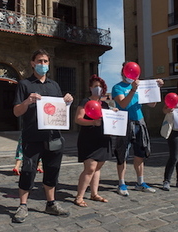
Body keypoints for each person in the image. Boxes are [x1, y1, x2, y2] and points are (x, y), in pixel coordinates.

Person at [12, 49, 73, 223]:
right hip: (32, 137)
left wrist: (67, 100)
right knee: (28, 171)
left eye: (46, 61)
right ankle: (23, 205)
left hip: (53, 137)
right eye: (39, 61)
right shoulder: (24, 84)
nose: (43, 64)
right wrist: (27, 101)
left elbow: (60, 109)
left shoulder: (54, 85)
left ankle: (51, 203)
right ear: (32, 63)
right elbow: (16, 112)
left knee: (52, 171)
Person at [112, 62, 164, 196]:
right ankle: (121, 183)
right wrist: (133, 90)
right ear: (123, 72)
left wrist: (156, 89)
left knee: (140, 153)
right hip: (124, 122)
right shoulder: (117, 87)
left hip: (139, 122)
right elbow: (123, 104)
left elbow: (152, 104)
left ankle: (140, 182)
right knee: (122, 154)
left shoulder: (140, 86)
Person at [74, 74, 117, 207]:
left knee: (97, 167)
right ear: (90, 88)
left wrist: (114, 113)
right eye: (95, 86)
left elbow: (109, 119)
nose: (98, 89)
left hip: (103, 139)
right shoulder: (85, 101)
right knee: (90, 168)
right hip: (88, 139)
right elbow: (78, 119)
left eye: (100, 86)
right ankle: (79, 197)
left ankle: (94, 193)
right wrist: (93, 122)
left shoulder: (104, 104)